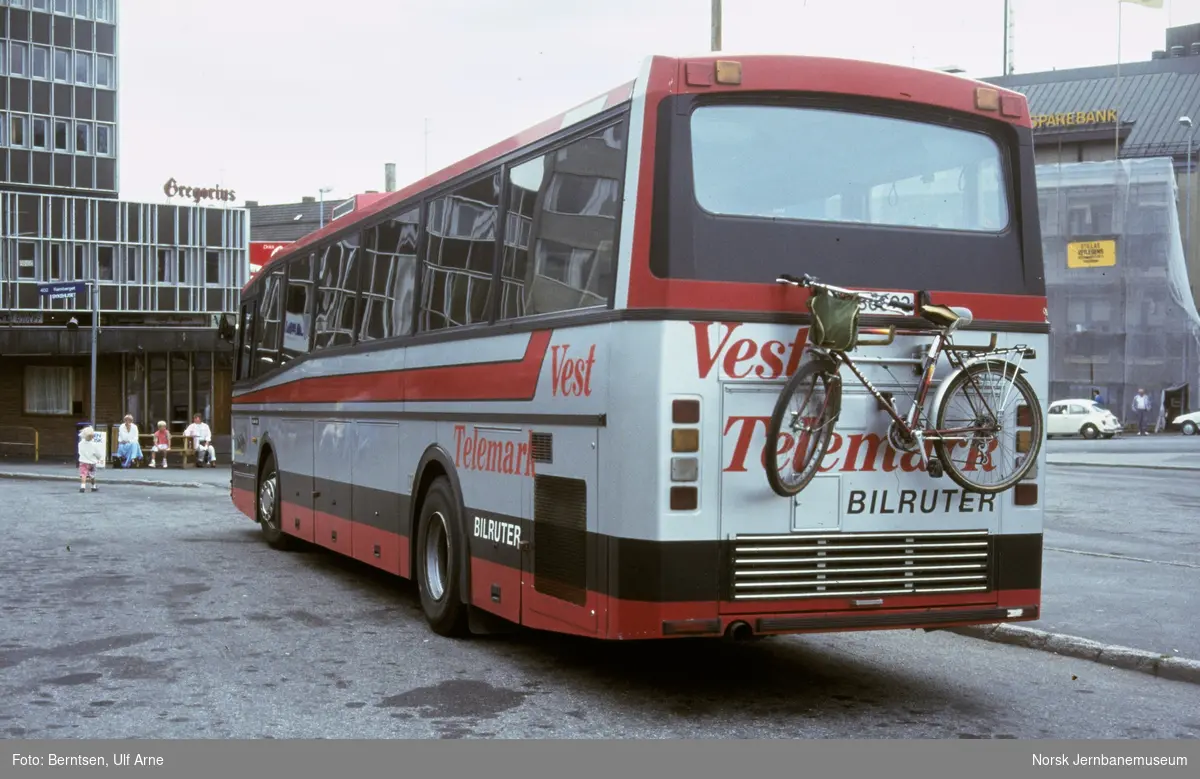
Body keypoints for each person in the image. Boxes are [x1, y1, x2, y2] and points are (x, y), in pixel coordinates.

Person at [77, 426, 105, 493]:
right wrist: (99, 458)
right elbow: (98, 454)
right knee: (92, 475)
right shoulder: (94, 445)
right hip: (91, 462)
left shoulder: (80, 444)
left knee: (83, 474)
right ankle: (93, 486)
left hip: (83, 461)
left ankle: (83, 486)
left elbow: (79, 451)